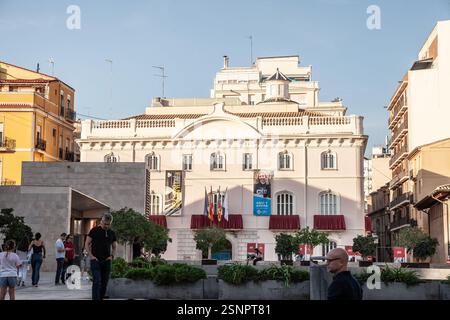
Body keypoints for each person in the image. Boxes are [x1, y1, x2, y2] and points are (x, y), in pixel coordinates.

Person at [85, 213, 117, 300]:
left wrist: (112, 256)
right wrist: (91, 256)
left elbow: (114, 247)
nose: (106, 226)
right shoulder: (94, 230)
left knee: (104, 283)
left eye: (108, 224)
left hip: (107, 261)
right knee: (97, 281)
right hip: (95, 260)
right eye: (105, 223)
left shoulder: (112, 233)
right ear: (101, 221)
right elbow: (87, 244)